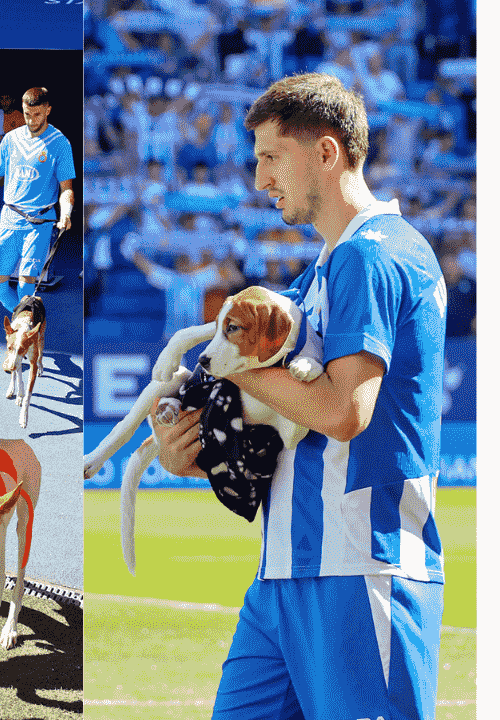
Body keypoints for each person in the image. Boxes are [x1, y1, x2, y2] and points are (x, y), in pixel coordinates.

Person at [153, 73, 446, 720]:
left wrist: (228, 368)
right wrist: (194, 456)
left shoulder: (374, 254)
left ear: (326, 152)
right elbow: (297, 435)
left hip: (361, 569)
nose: (260, 179)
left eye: (269, 156)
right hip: (284, 574)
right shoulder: (320, 270)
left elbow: (344, 412)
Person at [0, 86, 75, 313]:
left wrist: (66, 213)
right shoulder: (10, 140)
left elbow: (66, 188)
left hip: (39, 222)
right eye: (27, 114)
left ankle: (23, 330)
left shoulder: (61, 143)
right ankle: (27, 320)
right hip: (10, 218)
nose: (32, 120)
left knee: (24, 288)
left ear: (48, 110)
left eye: (37, 114)